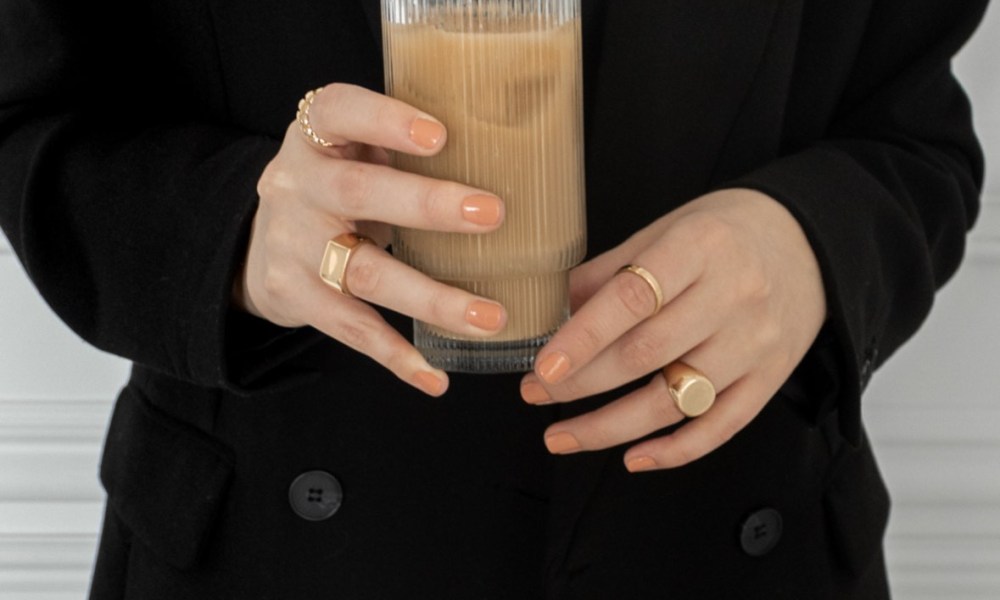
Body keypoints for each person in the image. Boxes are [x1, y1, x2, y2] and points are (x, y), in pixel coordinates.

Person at [0, 0, 988, 598]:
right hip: (279, 551)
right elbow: (35, 117)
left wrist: (811, 241)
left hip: (725, 541)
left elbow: (915, 134)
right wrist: (239, 235)